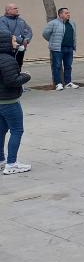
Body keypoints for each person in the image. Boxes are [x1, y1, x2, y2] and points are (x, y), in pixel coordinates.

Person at [0, 31, 31, 174]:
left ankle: (1, 160)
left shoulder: (7, 58)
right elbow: (12, 81)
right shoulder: (7, 60)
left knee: (1, 130)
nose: (16, 43)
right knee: (17, 130)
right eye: (13, 40)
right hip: (9, 101)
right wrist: (26, 76)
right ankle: (11, 164)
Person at [42, 7, 77, 90]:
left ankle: (68, 82)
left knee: (68, 66)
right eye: (66, 13)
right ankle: (58, 83)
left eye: (68, 13)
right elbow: (45, 34)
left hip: (69, 48)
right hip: (58, 49)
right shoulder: (53, 23)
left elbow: (74, 35)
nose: (68, 14)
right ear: (60, 14)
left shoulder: (72, 23)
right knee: (57, 66)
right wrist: (52, 41)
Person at [1, 4, 32, 71]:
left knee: (19, 64)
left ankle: (18, 79)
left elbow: (28, 30)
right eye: (15, 8)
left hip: (21, 48)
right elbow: (7, 34)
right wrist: (21, 40)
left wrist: (26, 40)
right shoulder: (2, 20)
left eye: (17, 8)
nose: (17, 9)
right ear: (8, 10)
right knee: (10, 65)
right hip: (9, 48)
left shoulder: (20, 20)